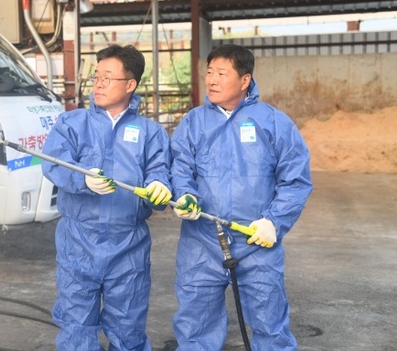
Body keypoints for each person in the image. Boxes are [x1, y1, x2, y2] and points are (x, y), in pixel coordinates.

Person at [169, 44, 313, 350]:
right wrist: (185, 195)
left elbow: (296, 179)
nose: (212, 80)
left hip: (255, 241)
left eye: (222, 73)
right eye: (209, 72)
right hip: (201, 241)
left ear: (244, 80)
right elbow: (179, 168)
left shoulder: (273, 122)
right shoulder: (193, 123)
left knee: (268, 322)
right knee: (195, 323)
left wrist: (274, 222)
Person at [41, 44, 172, 350]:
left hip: (128, 246)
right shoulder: (72, 123)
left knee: (128, 327)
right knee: (77, 326)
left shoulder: (150, 132)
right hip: (78, 242)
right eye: (96, 77)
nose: (98, 84)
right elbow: (52, 163)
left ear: (130, 84)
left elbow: (159, 172)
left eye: (107, 78)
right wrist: (81, 178)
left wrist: (160, 189)